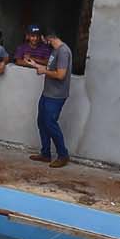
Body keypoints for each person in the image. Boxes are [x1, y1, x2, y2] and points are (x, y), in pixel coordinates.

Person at [31, 32, 72, 166]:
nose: (42, 42)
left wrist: (43, 71)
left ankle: (63, 155)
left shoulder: (63, 52)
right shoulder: (55, 51)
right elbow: (50, 67)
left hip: (56, 95)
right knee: (42, 122)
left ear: (47, 38)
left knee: (50, 124)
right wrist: (37, 65)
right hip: (48, 93)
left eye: (42, 39)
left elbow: (61, 75)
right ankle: (45, 153)